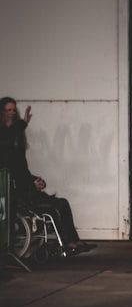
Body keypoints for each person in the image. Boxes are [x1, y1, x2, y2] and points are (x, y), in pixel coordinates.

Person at [0, 96, 95, 255]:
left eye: (13, 110)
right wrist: (31, 185)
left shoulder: (16, 150)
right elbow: (10, 176)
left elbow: (22, 173)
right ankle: (66, 242)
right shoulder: (4, 148)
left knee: (62, 203)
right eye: (8, 110)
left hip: (25, 188)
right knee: (54, 209)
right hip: (17, 195)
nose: (11, 113)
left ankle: (73, 240)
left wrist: (36, 181)